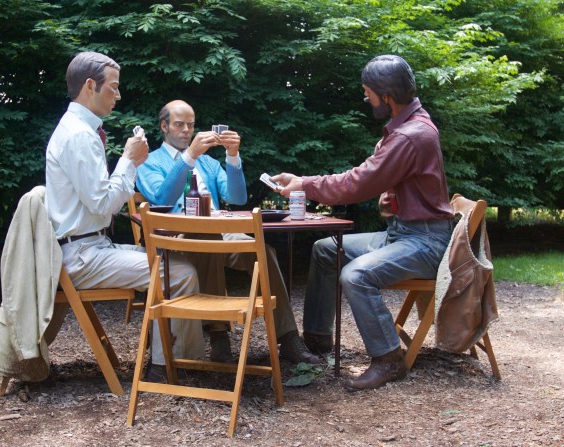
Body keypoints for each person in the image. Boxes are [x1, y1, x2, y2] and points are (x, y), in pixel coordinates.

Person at [271, 55, 455, 390]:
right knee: (325, 249)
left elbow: (358, 182)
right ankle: (317, 340)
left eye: (368, 92)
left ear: (386, 96)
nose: (366, 99)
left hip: (425, 242)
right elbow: (369, 176)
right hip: (403, 234)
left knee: (355, 275)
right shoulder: (405, 127)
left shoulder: (410, 135)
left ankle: (388, 359)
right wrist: (305, 181)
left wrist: (305, 184)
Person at [45, 52, 205, 378]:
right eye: (113, 88)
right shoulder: (78, 135)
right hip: (82, 256)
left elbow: (97, 202)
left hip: (86, 247)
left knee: (172, 261)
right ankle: (170, 367)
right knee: (180, 272)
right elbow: (103, 205)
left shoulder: (78, 129)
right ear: (91, 86)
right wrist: (129, 161)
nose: (118, 96)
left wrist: (128, 162)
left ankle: (168, 359)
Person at [136, 99, 319, 365]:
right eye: (179, 124)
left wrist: (232, 155)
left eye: (190, 124)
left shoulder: (209, 164)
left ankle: (288, 336)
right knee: (206, 236)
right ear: (164, 126)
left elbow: (237, 196)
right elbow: (161, 197)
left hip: (218, 232)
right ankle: (218, 332)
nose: (186, 130)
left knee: (262, 251)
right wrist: (190, 157)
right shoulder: (150, 162)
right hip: (173, 239)